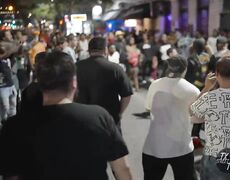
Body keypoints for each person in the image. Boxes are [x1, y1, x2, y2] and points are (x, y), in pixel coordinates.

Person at [0, 51, 133, 180]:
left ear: (39, 82)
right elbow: (122, 168)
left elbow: (12, 175)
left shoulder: (14, 126)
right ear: (74, 83)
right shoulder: (98, 116)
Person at [143, 56, 200, 180]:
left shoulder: (155, 84)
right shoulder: (192, 90)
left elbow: (148, 107)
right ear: (185, 70)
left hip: (154, 146)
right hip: (181, 147)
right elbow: (197, 118)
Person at [76, 37, 133, 131]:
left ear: (89, 50)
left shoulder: (77, 67)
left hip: (83, 117)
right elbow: (127, 94)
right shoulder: (115, 69)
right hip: (109, 117)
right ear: (105, 50)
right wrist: (119, 113)